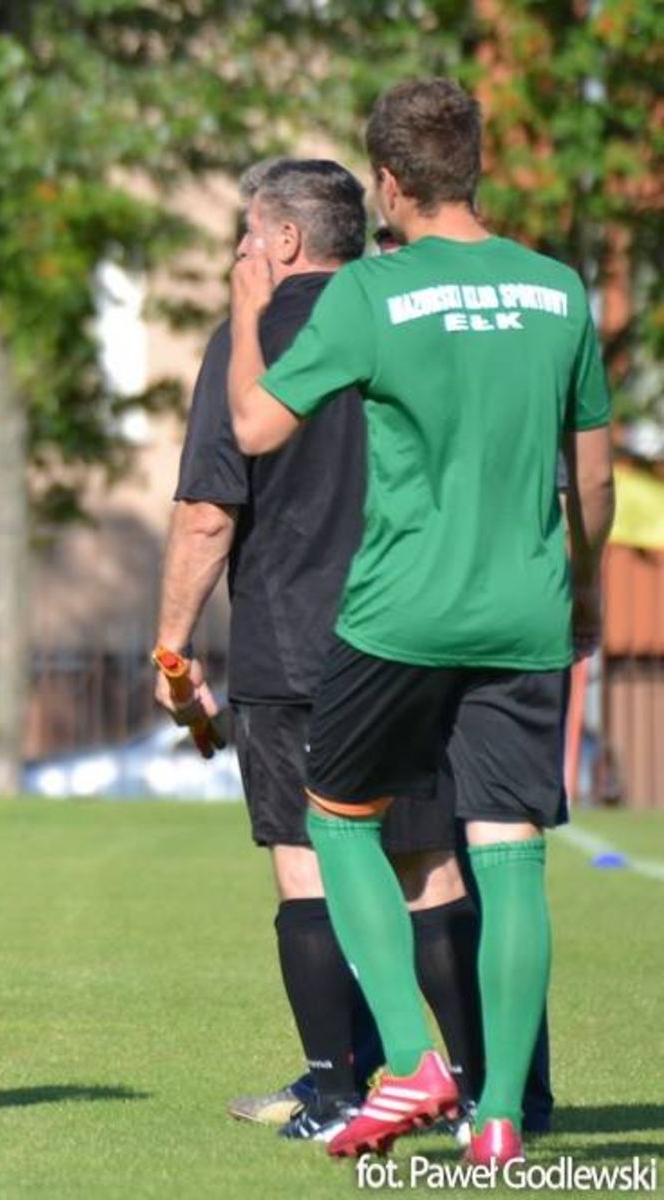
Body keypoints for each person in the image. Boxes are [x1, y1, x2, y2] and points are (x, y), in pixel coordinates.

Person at [227, 79, 614, 1165]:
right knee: (508, 851)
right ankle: (496, 1120)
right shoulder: (556, 291)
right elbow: (590, 479)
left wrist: (246, 311)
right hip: (522, 614)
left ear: (386, 184)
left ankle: (407, 1061)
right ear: (475, 166)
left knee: (337, 819)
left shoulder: (370, 292)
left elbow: (254, 427)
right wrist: (580, 590)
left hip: (399, 614)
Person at [155, 158, 482, 1143]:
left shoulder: (247, 342)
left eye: (246, 235)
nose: (238, 253)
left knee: (306, 865)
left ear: (285, 241)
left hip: (295, 652)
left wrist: (169, 645)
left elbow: (209, 514)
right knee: (428, 864)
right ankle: (471, 1088)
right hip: (416, 637)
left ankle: (337, 1091)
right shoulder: (414, 326)